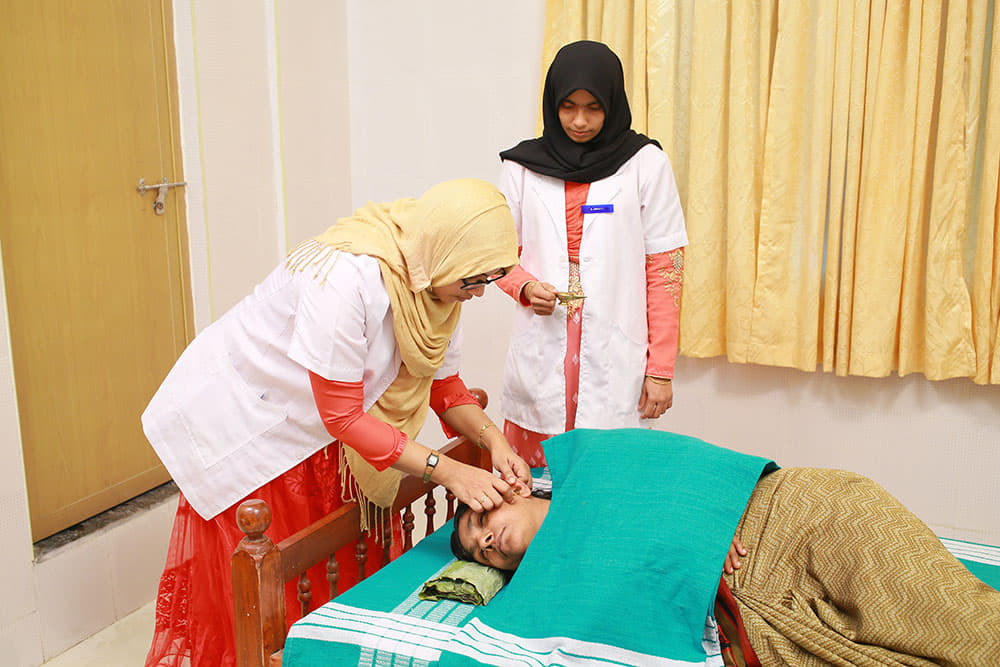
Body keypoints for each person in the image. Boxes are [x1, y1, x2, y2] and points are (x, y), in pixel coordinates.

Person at [142, 178, 533, 667]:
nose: (476, 294)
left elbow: (443, 386)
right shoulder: (347, 280)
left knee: (337, 563)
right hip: (247, 421)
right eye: (472, 281)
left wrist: (494, 441)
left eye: (488, 281)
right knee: (275, 592)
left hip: (322, 425)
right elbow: (343, 415)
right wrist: (448, 470)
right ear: (445, 251)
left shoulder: (435, 285)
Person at [451, 446, 1000, 666]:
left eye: (481, 520)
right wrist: (692, 559)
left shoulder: (593, 466)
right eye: (481, 553)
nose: (486, 543)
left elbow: (679, 460)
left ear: (511, 490)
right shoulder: (558, 584)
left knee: (949, 614)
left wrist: (708, 519)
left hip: (795, 514)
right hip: (754, 589)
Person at [494, 40, 688, 468]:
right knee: (535, 488)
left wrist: (660, 369)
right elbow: (495, 256)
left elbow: (666, 270)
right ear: (552, 102)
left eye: (593, 108)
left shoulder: (645, 163)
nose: (579, 121)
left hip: (615, 346)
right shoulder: (520, 167)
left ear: (613, 102)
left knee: (607, 483)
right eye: (568, 106)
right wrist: (523, 287)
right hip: (543, 345)